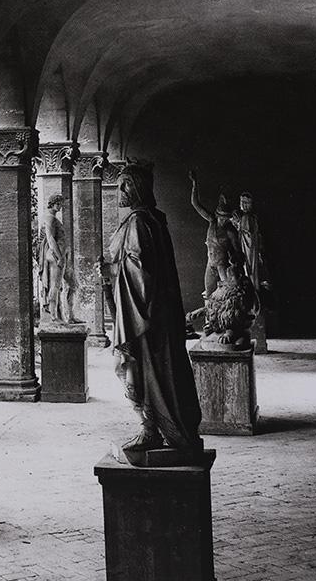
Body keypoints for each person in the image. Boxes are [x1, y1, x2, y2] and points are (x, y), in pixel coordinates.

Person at [104, 163, 202, 455]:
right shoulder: (154, 220)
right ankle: (155, 429)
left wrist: (110, 270)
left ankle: (150, 430)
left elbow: (140, 273)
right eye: (120, 184)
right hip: (158, 317)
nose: (120, 190)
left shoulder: (137, 222)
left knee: (132, 370)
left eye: (127, 184)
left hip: (144, 319)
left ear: (141, 188)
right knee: (155, 373)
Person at [189, 171, 243, 301]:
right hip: (210, 265)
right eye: (222, 218)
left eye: (226, 218)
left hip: (221, 266)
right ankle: (212, 320)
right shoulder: (212, 221)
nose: (224, 220)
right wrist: (194, 184)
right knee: (209, 294)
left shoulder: (229, 232)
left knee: (228, 293)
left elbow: (238, 251)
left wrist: (234, 259)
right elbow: (195, 204)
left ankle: (229, 318)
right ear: (218, 215)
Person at [37, 193, 79, 323]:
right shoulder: (49, 218)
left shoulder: (54, 218)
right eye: (58, 204)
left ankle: (70, 316)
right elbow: (50, 239)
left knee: (74, 285)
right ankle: (54, 316)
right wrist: (59, 257)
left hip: (62, 256)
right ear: (52, 203)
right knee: (55, 286)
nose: (60, 206)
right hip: (55, 256)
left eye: (61, 204)